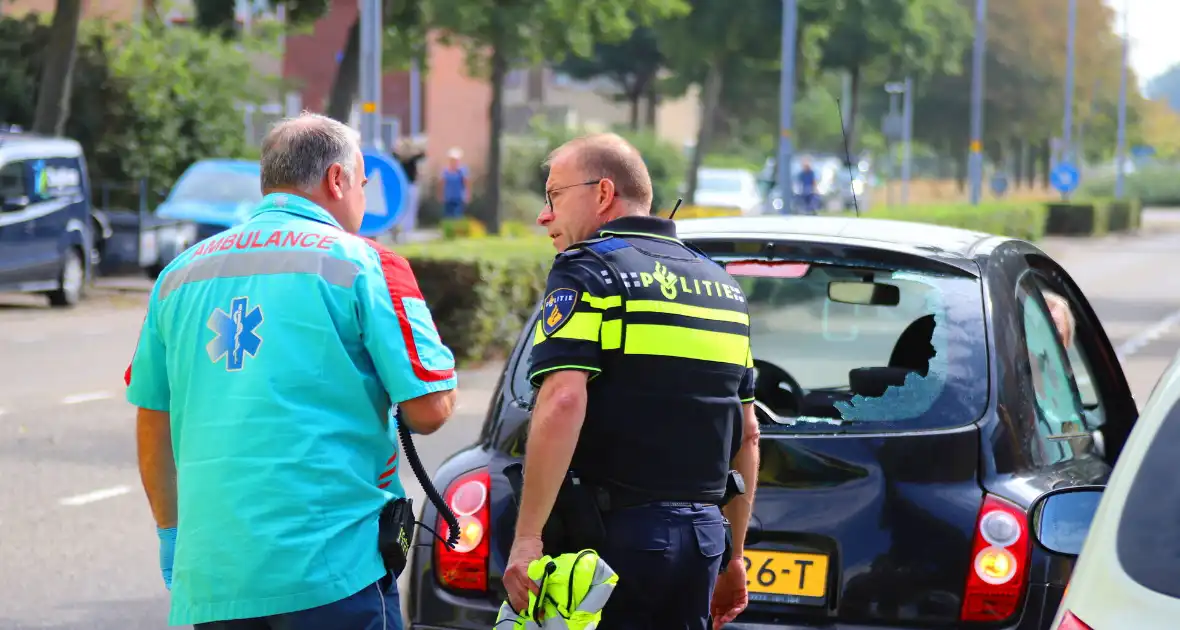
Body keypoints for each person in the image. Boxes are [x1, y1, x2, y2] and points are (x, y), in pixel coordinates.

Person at [126, 112, 459, 629]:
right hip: (334, 571)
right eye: (363, 184)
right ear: (337, 179)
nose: (364, 199)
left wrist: (171, 536)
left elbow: (152, 419)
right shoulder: (366, 264)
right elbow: (429, 410)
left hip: (214, 577)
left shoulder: (178, 275)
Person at [503, 132, 762, 629]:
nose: (544, 215)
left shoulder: (589, 269)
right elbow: (747, 434)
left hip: (613, 547)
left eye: (554, 196)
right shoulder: (725, 288)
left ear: (602, 194)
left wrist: (528, 537)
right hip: (704, 543)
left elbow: (561, 399)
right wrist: (735, 558)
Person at [438, 147, 470, 220]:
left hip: (458, 198)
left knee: (457, 216)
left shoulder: (462, 171)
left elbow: (466, 183)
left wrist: (467, 195)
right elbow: (442, 184)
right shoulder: (445, 171)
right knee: (448, 216)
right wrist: (441, 195)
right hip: (448, 197)